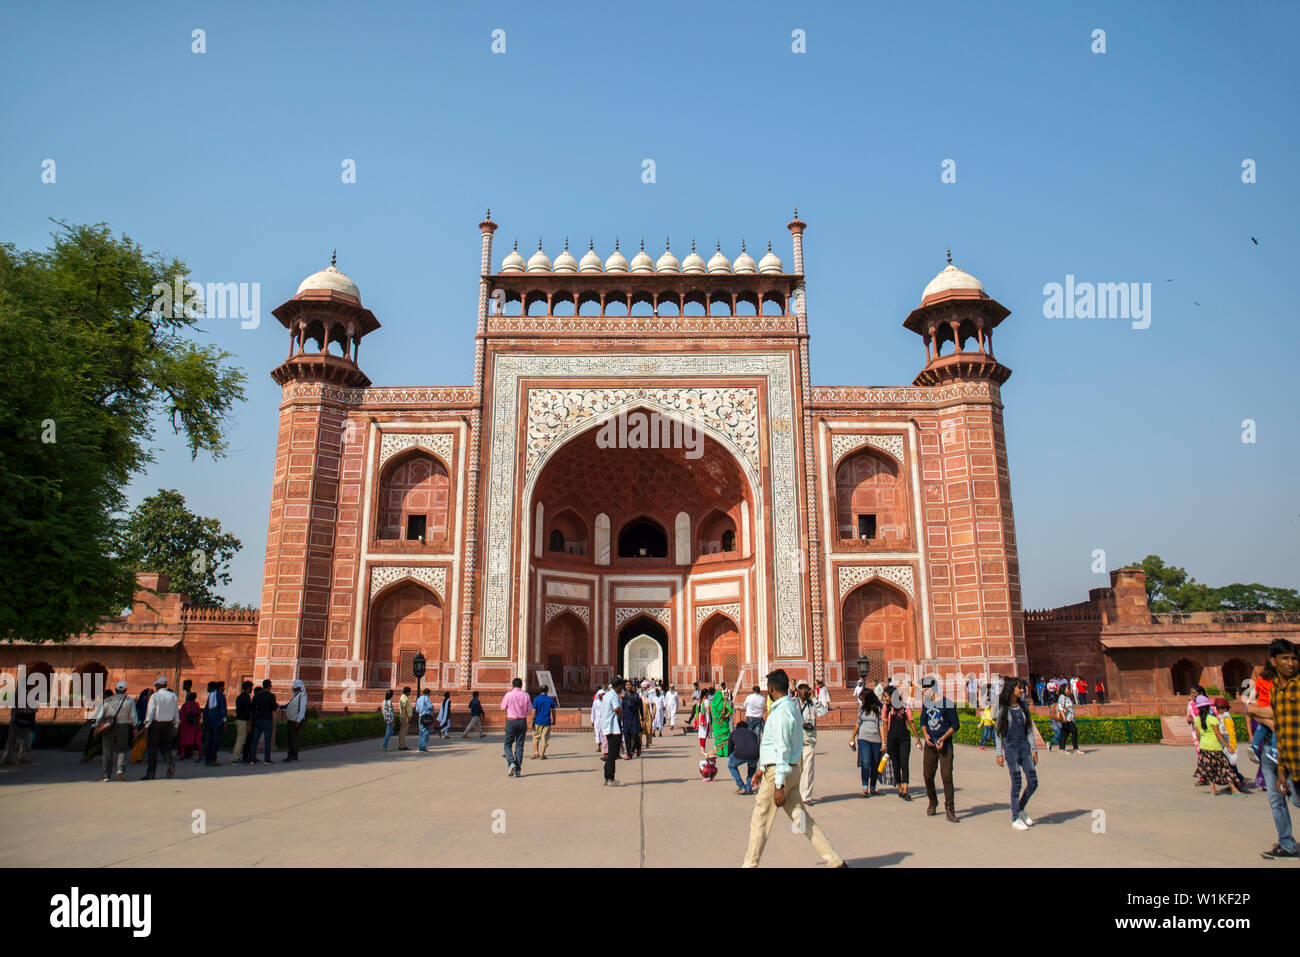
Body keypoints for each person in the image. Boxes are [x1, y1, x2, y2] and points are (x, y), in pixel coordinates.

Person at [742, 669, 847, 868]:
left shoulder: (781, 712)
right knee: (803, 820)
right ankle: (835, 861)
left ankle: (749, 865)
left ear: (771, 687)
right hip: (789, 769)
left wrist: (778, 784)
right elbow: (780, 745)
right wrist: (760, 769)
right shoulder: (791, 708)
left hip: (779, 773)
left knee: (760, 822)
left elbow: (781, 747)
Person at [1250, 638, 1300, 859]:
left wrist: (1254, 711)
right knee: (1276, 800)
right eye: (1285, 658)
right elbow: (1280, 727)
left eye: (1294, 658)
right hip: (1279, 754)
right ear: (1273, 661)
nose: (1291, 663)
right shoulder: (1275, 691)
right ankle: (1286, 844)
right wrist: (1282, 770)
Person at [995, 678, 1039, 830]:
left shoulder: (1022, 706)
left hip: (1024, 747)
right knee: (1017, 781)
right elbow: (998, 732)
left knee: (1033, 781)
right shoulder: (1003, 708)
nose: (1022, 691)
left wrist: (1034, 749)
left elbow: (1029, 729)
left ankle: (1020, 808)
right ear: (1012, 690)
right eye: (1020, 688)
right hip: (1011, 747)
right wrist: (999, 753)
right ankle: (1015, 818)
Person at [920, 676, 960, 822]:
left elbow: (955, 725)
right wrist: (925, 735)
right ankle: (933, 800)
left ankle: (950, 808)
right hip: (930, 746)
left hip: (945, 746)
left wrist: (943, 738)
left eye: (924, 689)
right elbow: (923, 721)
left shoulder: (947, 703)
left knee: (947, 777)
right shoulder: (926, 703)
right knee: (928, 776)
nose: (923, 692)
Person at [1193, 695, 1245, 795]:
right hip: (1215, 747)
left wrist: (1202, 744)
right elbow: (1218, 735)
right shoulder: (1212, 719)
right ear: (1208, 707)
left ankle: (1213, 789)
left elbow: (1198, 735)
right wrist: (1227, 746)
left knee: (1209, 769)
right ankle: (1234, 788)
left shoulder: (1197, 720)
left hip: (1204, 747)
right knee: (1225, 768)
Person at [93, 681, 136, 781]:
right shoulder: (129, 700)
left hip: (109, 726)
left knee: (107, 751)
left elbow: (100, 715)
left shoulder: (107, 700)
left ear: (115, 690)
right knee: (122, 749)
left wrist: (96, 725)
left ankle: (106, 775)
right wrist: (135, 727)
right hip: (123, 726)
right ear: (125, 691)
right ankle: (120, 769)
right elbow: (134, 715)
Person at [795, 681, 828, 804]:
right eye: (801, 688)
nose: (804, 691)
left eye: (806, 688)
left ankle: (806, 797)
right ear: (797, 690)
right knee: (797, 769)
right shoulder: (793, 704)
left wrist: (814, 698)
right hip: (796, 741)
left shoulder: (812, 704)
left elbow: (823, 712)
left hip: (809, 740)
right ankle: (796, 794)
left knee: (808, 769)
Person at [142, 677, 180, 780]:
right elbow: (176, 711)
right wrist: (176, 725)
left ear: (159, 685)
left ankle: (151, 773)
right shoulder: (173, 696)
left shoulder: (155, 696)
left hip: (156, 724)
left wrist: (146, 725)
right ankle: (170, 764)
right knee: (165, 747)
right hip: (168, 724)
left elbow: (150, 712)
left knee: (152, 749)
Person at [882, 684, 913, 800]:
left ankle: (905, 790)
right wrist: (884, 742)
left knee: (904, 763)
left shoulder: (904, 706)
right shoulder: (886, 708)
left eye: (886, 696)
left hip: (904, 738)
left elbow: (911, 721)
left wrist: (918, 739)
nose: (884, 699)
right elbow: (885, 725)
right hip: (892, 739)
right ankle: (899, 788)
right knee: (896, 764)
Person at [851, 689, 884, 797]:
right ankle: (865, 787)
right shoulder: (862, 709)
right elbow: (858, 723)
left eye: (863, 698)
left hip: (876, 739)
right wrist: (852, 737)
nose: (862, 700)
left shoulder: (878, 709)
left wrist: (884, 742)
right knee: (865, 763)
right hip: (863, 738)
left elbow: (881, 726)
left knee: (875, 764)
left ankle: (873, 787)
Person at [500, 677, 530, 777]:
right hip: (522, 721)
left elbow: (503, 707)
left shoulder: (509, 695)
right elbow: (529, 710)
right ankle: (518, 770)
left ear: (512, 685)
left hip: (511, 721)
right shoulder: (525, 695)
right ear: (521, 685)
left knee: (507, 744)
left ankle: (511, 762)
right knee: (519, 745)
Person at [599, 679, 624, 785]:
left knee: (611, 754)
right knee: (613, 755)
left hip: (607, 727)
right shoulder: (614, 696)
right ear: (618, 686)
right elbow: (616, 708)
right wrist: (620, 716)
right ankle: (611, 779)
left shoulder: (606, 695)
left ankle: (607, 777)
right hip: (613, 728)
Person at [727, 721, 760, 794]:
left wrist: (731, 758)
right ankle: (748, 788)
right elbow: (756, 745)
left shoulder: (733, 733)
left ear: (737, 727)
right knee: (752, 768)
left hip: (740, 754)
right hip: (754, 755)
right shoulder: (753, 733)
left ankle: (741, 787)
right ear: (747, 728)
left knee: (730, 765)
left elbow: (730, 749)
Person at [250, 679, 278, 764]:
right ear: (270, 686)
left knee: (255, 740)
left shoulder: (257, 695)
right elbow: (274, 708)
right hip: (267, 720)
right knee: (267, 740)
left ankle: (252, 759)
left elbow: (253, 707)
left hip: (258, 719)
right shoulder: (271, 696)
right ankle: (267, 759)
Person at [203, 681, 228, 766]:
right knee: (216, 741)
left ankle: (208, 757)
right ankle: (213, 758)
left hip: (210, 720)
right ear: (221, 687)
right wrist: (225, 721)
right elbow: (223, 709)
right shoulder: (221, 696)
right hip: (217, 721)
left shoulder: (211, 695)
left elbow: (207, 709)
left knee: (210, 740)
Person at [282, 679, 307, 762]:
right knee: (290, 739)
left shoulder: (302, 695)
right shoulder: (296, 695)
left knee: (293, 739)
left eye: (294, 686)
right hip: (291, 720)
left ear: (298, 687)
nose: (292, 687)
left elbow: (302, 708)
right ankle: (290, 755)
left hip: (295, 721)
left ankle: (293, 756)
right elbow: (290, 705)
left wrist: (298, 720)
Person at [231, 680, 253, 765]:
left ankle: (236, 758)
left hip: (238, 719)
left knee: (239, 739)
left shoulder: (239, 697)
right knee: (241, 740)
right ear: (248, 688)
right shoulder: (246, 698)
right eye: (251, 687)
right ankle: (236, 759)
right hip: (243, 721)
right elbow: (246, 712)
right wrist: (249, 724)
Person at [531, 684, 555, 759]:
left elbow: (534, 711)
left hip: (537, 721)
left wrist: (532, 721)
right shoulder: (550, 699)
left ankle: (536, 752)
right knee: (545, 738)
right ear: (547, 691)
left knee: (535, 737)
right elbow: (553, 711)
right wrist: (554, 719)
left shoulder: (536, 699)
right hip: (546, 721)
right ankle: (542, 754)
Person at [177, 691, 202, 759]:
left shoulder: (185, 705)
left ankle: (182, 754)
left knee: (183, 740)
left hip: (186, 725)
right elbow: (199, 713)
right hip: (195, 725)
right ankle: (199, 754)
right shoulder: (196, 705)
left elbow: (181, 714)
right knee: (197, 740)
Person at [622, 682, 643, 758]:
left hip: (634, 718)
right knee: (627, 737)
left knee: (635, 736)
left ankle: (638, 747)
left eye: (629, 685)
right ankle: (628, 754)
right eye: (626, 685)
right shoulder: (623, 696)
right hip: (626, 719)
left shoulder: (635, 694)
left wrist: (625, 696)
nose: (628, 686)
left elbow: (634, 700)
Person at [1055, 687, 1079, 754]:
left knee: (1064, 733)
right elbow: (1060, 707)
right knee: (1074, 731)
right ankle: (1075, 748)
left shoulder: (1067, 697)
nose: (1068, 690)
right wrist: (1063, 717)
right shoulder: (1062, 696)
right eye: (1067, 688)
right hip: (1066, 718)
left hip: (1070, 718)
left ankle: (1062, 749)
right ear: (1063, 690)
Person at [397, 686, 413, 751]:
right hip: (404, 717)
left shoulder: (404, 697)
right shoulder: (403, 697)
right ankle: (401, 746)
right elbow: (403, 708)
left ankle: (402, 745)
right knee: (403, 731)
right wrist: (407, 717)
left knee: (403, 731)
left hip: (404, 716)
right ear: (408, 692)